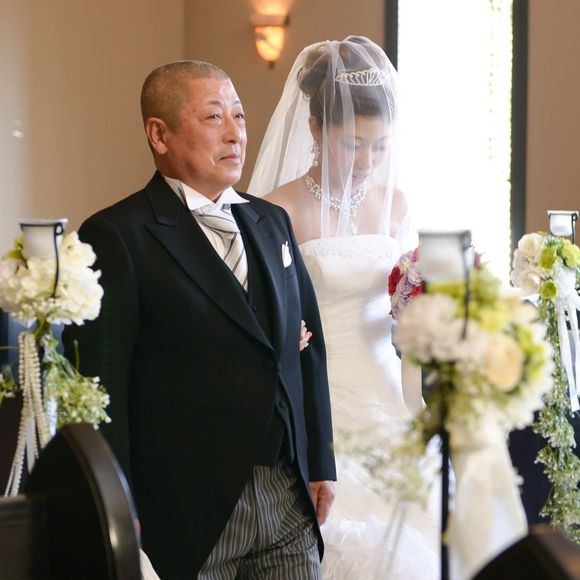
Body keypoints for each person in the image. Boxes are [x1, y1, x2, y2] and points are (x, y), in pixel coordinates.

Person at [62, 60, 336, 580]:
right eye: (214, 117)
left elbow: (310, 347)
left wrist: (320, 460)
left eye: (239, 115)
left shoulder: (271, 221)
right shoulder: (116, 235)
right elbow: (102, 390)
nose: (236, 133)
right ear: (159, 134)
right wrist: (115, 503)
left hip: (287, 494)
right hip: (190, 509)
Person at [249, 36, 439, 579]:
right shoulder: (277, 209)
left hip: (390, 394)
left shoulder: (395, 203)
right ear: (315, 130)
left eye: (380, 147)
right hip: (321, 399)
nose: (368, 162)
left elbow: (406, 296)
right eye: (354, 145)